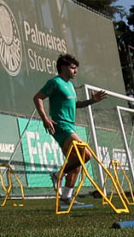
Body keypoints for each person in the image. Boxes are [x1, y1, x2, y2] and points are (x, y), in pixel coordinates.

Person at [33, 54, 107, 207]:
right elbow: (37, 97)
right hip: (60, 126)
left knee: (77, 163)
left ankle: (66, 198)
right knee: (86, 154)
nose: (75, 71)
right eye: (73, 68)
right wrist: (45, 118)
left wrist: (92, 101)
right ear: (63, 67)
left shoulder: (70, 86)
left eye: (76, 68)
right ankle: (58, 175)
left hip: (70, 126)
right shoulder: (55, 82)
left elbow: (76, 105)